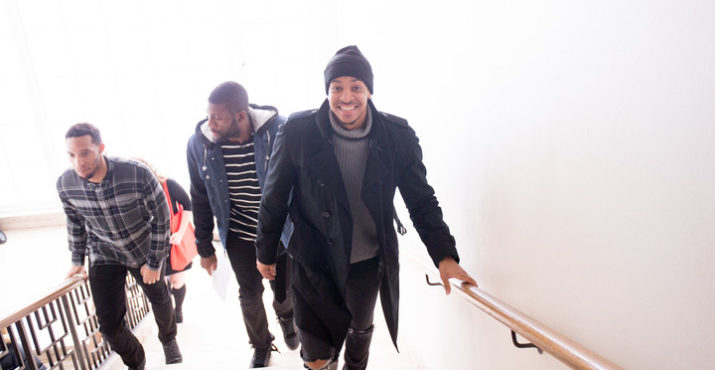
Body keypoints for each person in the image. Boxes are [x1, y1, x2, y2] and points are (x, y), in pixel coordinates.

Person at [255, 46, 477, 370]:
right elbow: (274, 197)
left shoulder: (397, 136)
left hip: (366, 260)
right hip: (313, 259)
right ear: (327, 91)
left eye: (356, 87)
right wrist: (264, 251)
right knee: (316, 357)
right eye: (337, 88)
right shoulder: (297, 132)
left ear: (369, 90)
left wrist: (444, 255)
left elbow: (421, 200)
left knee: (359, 334)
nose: (346, 97)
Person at [187, 81, 298, 368]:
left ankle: (286, 317)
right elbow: (199, 197)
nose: (209, 123)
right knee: (248, 293)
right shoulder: (199, 145)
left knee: (283, 288)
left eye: (217, 117)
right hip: (237, 233)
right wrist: (203, 247)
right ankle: (261, 345)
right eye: (208, 115)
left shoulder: (278, 132)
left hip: (279, 231)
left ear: (240, 115)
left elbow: (302, 184)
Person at [57, 123, 182, 370]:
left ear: (100, 148)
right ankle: (136, 361)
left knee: (161, 298)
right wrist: (76, 260)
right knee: (109, 326)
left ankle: (168, 339)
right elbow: (75, 222)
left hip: (143, 248)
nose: (78, 161)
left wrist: (155, 262)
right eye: (71, 155)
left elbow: (162, 217)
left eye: (85, 153)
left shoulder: (136, 173)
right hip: (104, 253)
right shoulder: (65, 184)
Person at [134, 158, 193, 324]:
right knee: (162, 283)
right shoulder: (134, 192)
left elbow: (188, 205)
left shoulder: (169, 184)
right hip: (152, 244)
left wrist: (180, 233)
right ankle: (169, 314)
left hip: (174, 241)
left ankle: (178, 308)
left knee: (177, 280)